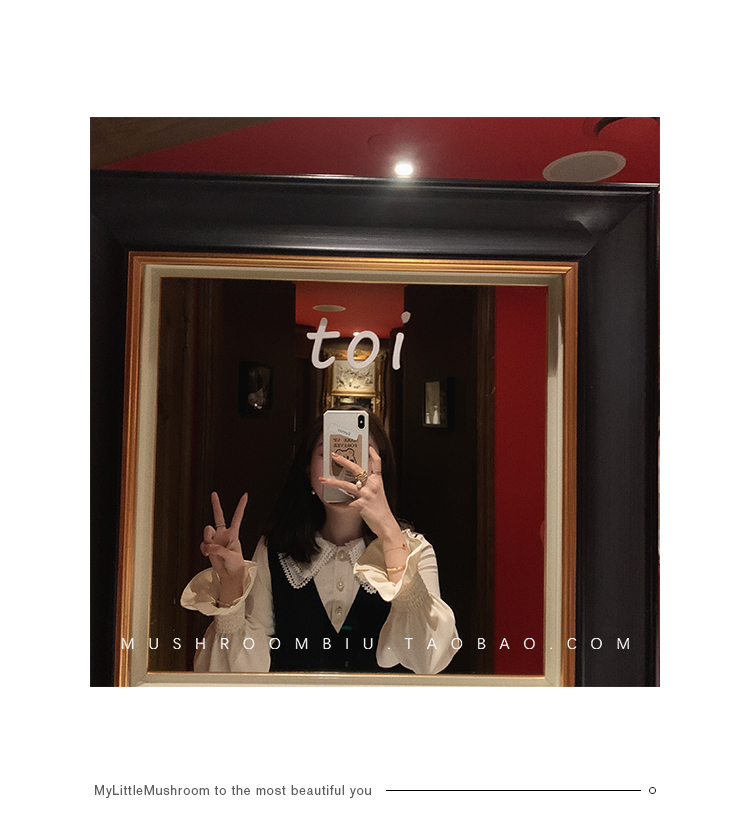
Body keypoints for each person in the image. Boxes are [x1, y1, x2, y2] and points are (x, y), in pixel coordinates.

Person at [180, 413, 458, 674]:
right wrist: (230, 586)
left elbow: (428, 658)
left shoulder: (415, 551)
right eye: (329, 453)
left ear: (380, 469)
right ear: (307, 469)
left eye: (356, 454)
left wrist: (389, 532)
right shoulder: (275, 550)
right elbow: (242, 673)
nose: (343, 465)